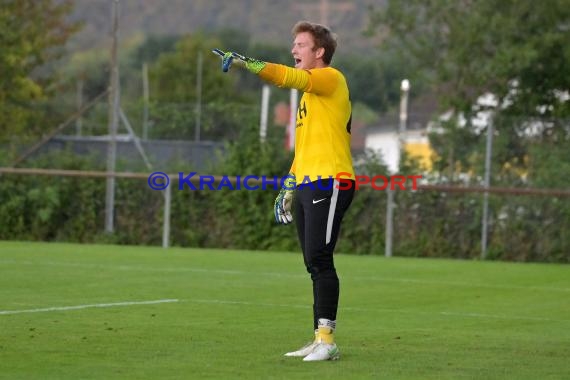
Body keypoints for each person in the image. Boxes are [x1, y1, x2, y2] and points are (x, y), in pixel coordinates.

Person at [214, 20, 355, 362]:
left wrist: (247, 63)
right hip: (308, 182)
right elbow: (303, 150)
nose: (294, 50)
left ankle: (327, 340)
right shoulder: (310, 95)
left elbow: (288, 78)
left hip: (331, 180)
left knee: (320, 259)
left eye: (301, 45)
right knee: (312, 262)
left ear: (319, 52)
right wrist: (288, 185)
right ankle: (319, 337)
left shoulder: (330, 78)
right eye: (294, 44)